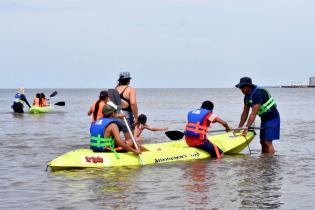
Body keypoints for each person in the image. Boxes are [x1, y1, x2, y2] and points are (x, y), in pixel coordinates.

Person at [235, 77, 280, 154]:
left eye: (242, 87)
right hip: (264, 119)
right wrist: (239, 127)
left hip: (273, 118)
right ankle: (264, 160)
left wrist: (246, 127)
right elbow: (245, 113)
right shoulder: (246, 96)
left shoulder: (258, 94)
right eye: (240, 87)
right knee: (262, 142)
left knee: (267, 142)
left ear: (248, 86)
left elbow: (253, 113)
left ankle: (271, 162)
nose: (241, 89)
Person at [115, 72, 139, 140]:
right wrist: (136, 118)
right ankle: (130, 149)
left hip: (115, 115)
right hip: (126, 116)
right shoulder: (131, 89)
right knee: (130, 140)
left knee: (115, 138)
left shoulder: (115, 90)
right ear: (128, 80)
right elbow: (133, 103)